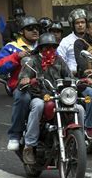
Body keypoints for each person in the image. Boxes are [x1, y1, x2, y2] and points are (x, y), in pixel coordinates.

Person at [14, 33, 85, 163]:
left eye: (52, 47)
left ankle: (81, 142)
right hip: (39, 95)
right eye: (46, 47)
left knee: (79, 108)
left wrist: (81, 81)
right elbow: (22, 79)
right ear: (40, 49)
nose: (49, 50)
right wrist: (26, 80)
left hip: (59, 96)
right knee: (38, 106)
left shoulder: (59, 60)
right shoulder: (32, 61)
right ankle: (29, 145)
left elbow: (69, 76)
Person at [0, 16, 40, 151]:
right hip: (23, 87)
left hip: (44, 86)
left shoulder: (44, 46)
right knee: (23, 98)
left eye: (37, 28)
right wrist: (16, 56)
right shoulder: (12, 47)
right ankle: (15, 135)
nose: (35, 31)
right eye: (30, 28)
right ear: (22, 32)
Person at [57, 8, 87, 75]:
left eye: (82, 22)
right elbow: (59, 60)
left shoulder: (91, 39)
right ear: (73, 25)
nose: (80, 25)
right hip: (73, 77)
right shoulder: (66, 41)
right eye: (77, 23)